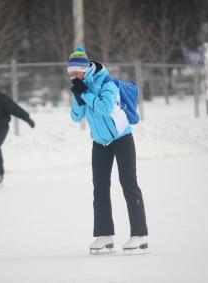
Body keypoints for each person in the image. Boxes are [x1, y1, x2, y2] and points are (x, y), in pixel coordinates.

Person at [67, 47, 149, 254]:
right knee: (100, 187)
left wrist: (84, 94)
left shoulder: (106, 82)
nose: (73, 76)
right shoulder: (81, 86)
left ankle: (140, 235)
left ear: (84, 69)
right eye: (70, 73)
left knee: (129, 184)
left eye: (75, 72)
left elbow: (104, 107)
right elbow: (76, 118)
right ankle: (105, 235)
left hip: (122, 138)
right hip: (100, 143)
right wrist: (78, 98)